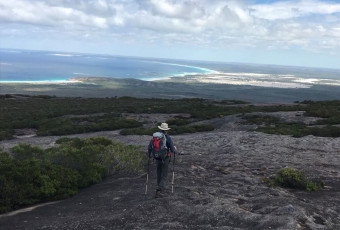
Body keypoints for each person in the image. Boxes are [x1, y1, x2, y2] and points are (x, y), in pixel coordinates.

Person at [148, 122, 176, 198]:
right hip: (165, 157)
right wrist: (174, 148)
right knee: (164, 174)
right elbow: (173, 150)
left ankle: (159, 188)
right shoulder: (168, 137)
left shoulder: (155, 137)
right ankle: (159, 190)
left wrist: (151, 155)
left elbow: (150, 147)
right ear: (166, 130)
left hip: (157, 157)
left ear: (160, 129)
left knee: (159, 173)